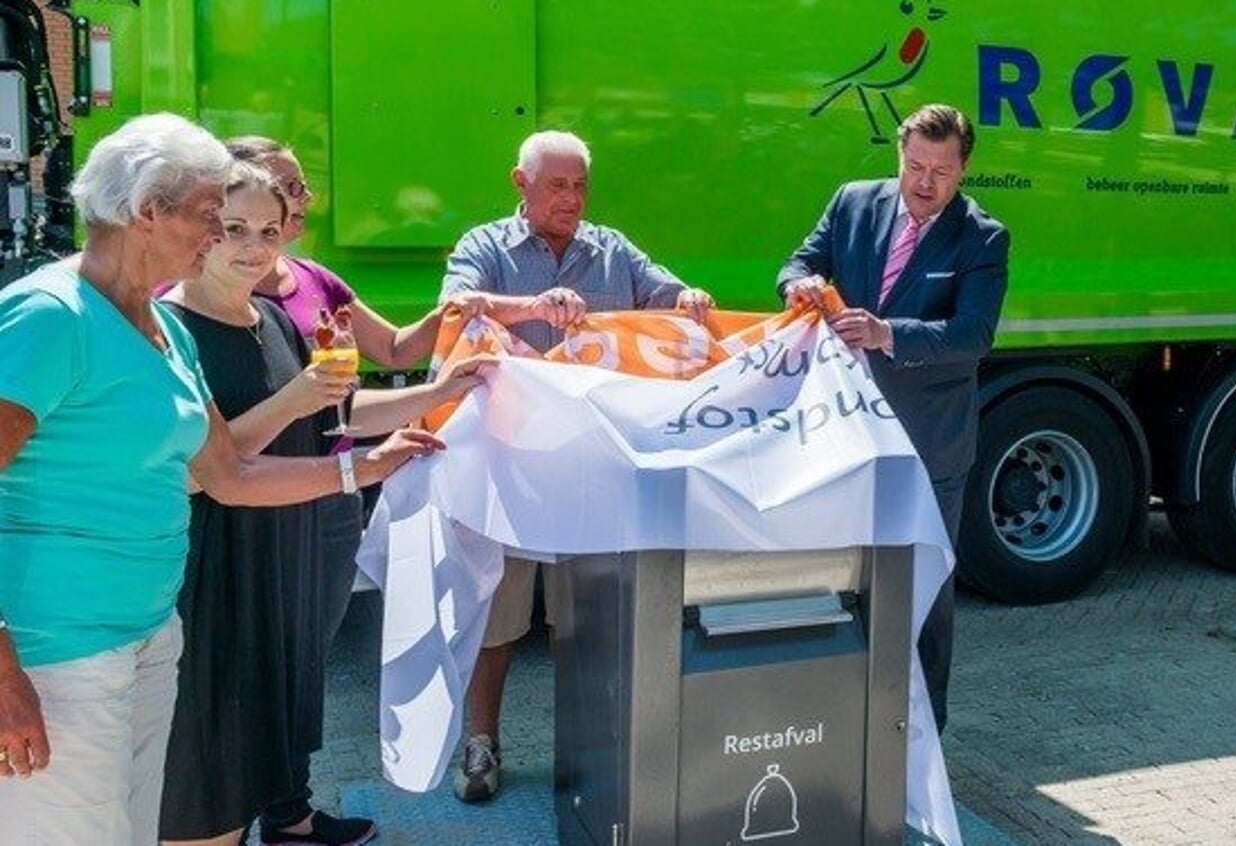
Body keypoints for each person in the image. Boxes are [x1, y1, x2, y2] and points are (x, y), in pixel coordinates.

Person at [0, 114, 441, 846]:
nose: (225, 238)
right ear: (148, 212)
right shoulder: (50, 317)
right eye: (211, 218)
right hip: (58, 656)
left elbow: (227, 473)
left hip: (148, 637)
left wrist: (363, 467)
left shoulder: (160, 329)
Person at [155, 164, 487, 846]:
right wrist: (307, 411)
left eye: (269, 232)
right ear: (200, 230)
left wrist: (437, 392)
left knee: (257, 767)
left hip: (280, 570)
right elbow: (207, 465)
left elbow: (340, 408)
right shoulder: (166, 326)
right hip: (209, 581)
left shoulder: (274, 317)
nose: (252, 247)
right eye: (233, 228)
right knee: (202, 796)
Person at [439, 129, 714, 801]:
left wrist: (689, 301)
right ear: (520, 184)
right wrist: (530, 306)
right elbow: (453, 309)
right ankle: (481, 745)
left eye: (580, 185)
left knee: (583, 616)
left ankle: (587, 747)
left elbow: (669, 297)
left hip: (592, 471)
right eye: (557, 185)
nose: (571, 198)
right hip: (507, 469)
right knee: (498, 616)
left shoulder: (612, 249)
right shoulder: (484, 247)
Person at [777, 103, 1009, 733]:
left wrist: (887, 333)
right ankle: (844, 724)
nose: (925, 182)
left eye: (941, 171)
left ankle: (922, 736)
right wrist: (798, 286)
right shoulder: (853, 202)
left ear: (963, 171)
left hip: (928, 447)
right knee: (844, 580)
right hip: (845, 434)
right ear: (898, 156)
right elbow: (800, 262)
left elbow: (973, 335)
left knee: (924, 591)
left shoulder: (983, 237)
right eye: (915, 166)